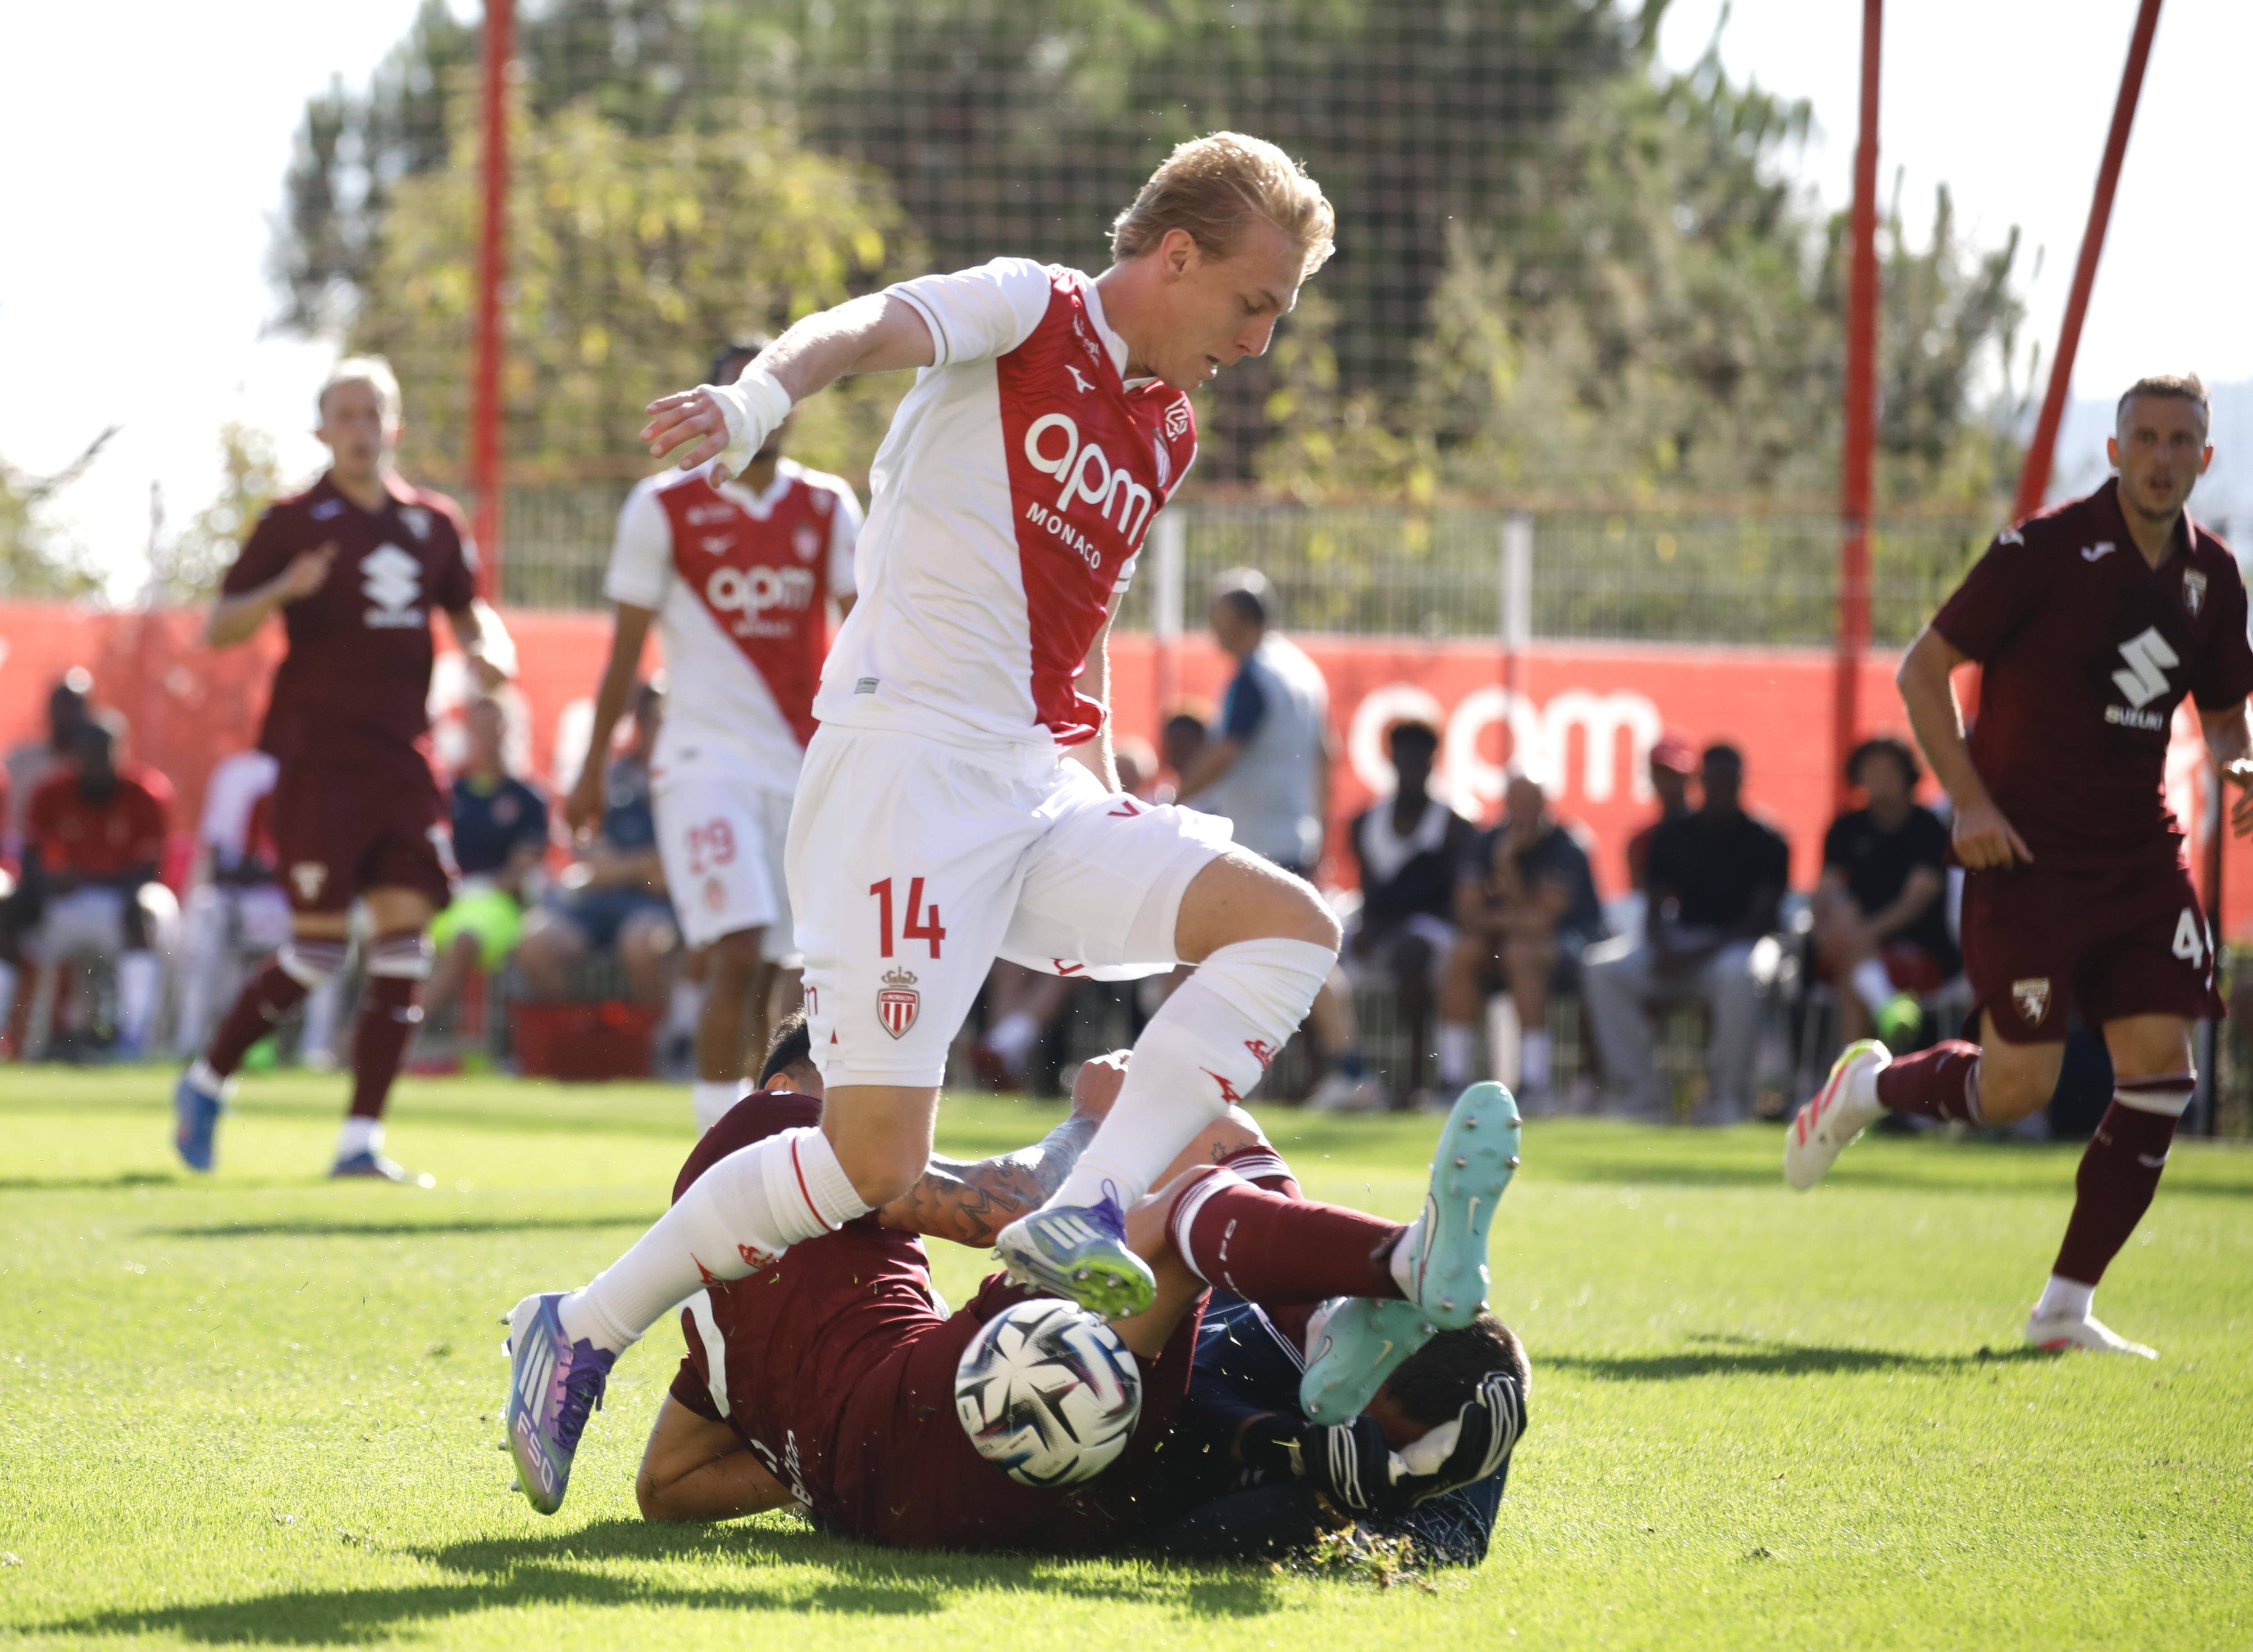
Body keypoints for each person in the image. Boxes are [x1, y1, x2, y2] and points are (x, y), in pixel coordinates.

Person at [507, 133, 1357, 1474]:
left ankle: (1089, 1203)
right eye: (1255, 304)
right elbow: (859, 328)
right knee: (864, 1162)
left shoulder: (1169, 427)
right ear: (1176, 257)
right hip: (901, 774)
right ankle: (578, 1325)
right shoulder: (1029, 304)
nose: (1258, 342)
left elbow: (1084, 621)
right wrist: (754, 397)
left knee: (1289, 926)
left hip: (1030, 785)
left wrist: (1106, 767)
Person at [598, 1027, 1525, 1558]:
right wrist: (1092, 1123)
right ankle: (1394, 1270)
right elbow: (1008, 1206)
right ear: (790, 1087)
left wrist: (820, 1468)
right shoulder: (774, 1130)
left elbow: (664, 1489)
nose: (906, 1124)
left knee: (1425, 1372)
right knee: (1190, 1150)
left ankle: (1349, 1411)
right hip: (955, 1400)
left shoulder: (714, 1339)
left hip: (977, 1492)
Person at [1789, 374, 2253, 1360]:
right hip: (2026, 859)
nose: (2164, 456)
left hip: (2138, 859)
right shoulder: (2040, 553)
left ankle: (2062, 1309)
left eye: (2182, 441)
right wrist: (1967, 799)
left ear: (2205, 458)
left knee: (2160, 1076)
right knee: (2015, 1090)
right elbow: (1921, 670)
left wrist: (2239, 759)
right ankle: (1871, 1089)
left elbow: (2219, 715)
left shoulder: (2215, 577)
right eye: (2145, 437)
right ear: (2116, 450)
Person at [173, 355, 515, 1182]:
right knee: (320, 950)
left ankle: (359, 1141)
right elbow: (219, 627)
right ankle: (208, 1077)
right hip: (319, 765)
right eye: (346, 415)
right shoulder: (295, 521)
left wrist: (488, 651)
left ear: (395, 428)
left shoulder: (433, 524)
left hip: (403, 763)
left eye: (375, 415)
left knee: (404, 946)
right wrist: (285, 587)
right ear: (323, 430)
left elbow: (470, 613)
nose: (361, 430)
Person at [575, 336, 863, 1133]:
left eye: (774, 387)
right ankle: (711, 1144)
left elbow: (864, 636)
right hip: (701, 764)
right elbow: (625, 656)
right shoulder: (661, 506)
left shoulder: (829, 505)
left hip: (801, 765)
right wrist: (592, 768)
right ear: (712, 404)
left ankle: (768, 1134)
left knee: (784, 964)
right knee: (736, 945)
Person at [1179, 569, 1376, 1110]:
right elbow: (1326, 754)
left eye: (1217, 619)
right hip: (1292, 833)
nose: (1211, 631)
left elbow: (1226, 751)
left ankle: (1341, 1070)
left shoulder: (1255, 674)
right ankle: (1341, 1070)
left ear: (1242, 621)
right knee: (1292, 954)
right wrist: (1319, 824)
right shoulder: (1301, 671)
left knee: (1266, 957)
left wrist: (1173, 797)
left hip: (1258, 839)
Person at [1582, 744, 1788, 1122]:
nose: (1720, 787)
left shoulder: (1768, 839)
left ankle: (1726, 1099)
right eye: (1713, 779)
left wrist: (1695, 953)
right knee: (1602, 967)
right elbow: (1656, 906)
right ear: (1700, 782)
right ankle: (1642, 1097)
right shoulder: (1674, 833)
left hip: (1740, 946)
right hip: (1682, 941)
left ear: (1742, 782)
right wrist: (1662, 948)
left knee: (1739, 973)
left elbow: (1759, 921)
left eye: (1729, 779)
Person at [1437, 769, 1607, 1112]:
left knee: (1521, 954)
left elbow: (1540, 923)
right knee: (1464, 952)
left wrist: (1507, 865)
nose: (1523, 812)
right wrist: (1502, 920)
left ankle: (1534, 1082)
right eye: (1516, 803)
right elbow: (1466, 911)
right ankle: (1451, 1078)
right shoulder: (1487, 840)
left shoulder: (1567, 845)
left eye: (1531, 803)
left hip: (1573, 948)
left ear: (1546, 804)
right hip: (1505, 942)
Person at [8, 714, 174, 1056]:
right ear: (75, 756)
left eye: (105, 752)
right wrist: (47, 883)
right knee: (5, 916)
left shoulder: (145, 794)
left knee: (145, 912)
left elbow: (150, 870)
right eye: (89, 753)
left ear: (122, 752)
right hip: (62, 909)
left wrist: (86, 878)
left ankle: (133, 1040)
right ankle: (10, 1037)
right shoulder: (51, 793)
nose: (98, 763)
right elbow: (32, 859)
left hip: (119, 906)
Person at [1340, 719, 1478, 1107]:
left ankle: (1416, 1080)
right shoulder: (1365, 821)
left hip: (1436, 933)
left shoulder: (1456, 822)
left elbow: (1448, 898)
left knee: (1412, 948)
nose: (1413, 768)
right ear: (1392, 761)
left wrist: (1387, 923)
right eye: (1405, 758)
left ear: (1434, 764)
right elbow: (1370, 888)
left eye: (1422, 759)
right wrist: (1369, 925)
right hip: (1381, 927)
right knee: (1319, 951)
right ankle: (1338, 1075)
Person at [516, 682, 674, 1011]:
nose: (656, 727)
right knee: (535, 944)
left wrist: (623, 867)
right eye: (649, 718)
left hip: (655, 908)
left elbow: (676, 870)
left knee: (642, 944)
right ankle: (583, 1038)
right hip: (594, 903)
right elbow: (593, 860)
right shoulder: (607, 778)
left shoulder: (688, 786)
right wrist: (643, 866)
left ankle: (655, 1046)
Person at [1811, 736, 1958, 1047]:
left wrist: (1863, 935)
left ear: (1908, 776)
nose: (1880, 779)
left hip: (1919, 948)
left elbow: (1917, 900)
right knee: (1844, 916)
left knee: (1853, 976)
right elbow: (1826, 891)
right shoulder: (1845, 828)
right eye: (1871, 770)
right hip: (1849, 940)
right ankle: (1884, 1007)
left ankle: (1850, 1082)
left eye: (1889, 770)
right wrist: (1825, 929)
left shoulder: (1929, 828)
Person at [424, 697, 551, 1037]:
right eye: (479, 728)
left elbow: (524, 866)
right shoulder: (449, 794)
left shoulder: (528, 798)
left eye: (494, 727)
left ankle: (403, 1028)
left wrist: (480, 885)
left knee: (466, 940)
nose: (488, 736)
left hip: (499, 906)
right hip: (445, 900)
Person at [172, 748, 293, 1058]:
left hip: (298, 906)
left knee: (327, 938)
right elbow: (221, 857)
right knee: (207, 917)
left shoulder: (324, 782)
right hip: (245, 901)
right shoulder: (244, 782)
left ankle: (316, 1049)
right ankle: (190, 1039)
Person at [4, 670, 93, 861]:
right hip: (20, 857)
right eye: (62, 705)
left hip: (81, 865)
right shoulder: (21, 761)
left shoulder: (96, 768)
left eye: (75, 706)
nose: (67, 715)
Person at [1623, 732, 1697, 893]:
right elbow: (1640, 900)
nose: (1667, 784)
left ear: (1690, 777)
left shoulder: (1708, 835)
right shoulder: (1641, 843)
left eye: (1674, 776)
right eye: (1661, 774)